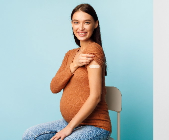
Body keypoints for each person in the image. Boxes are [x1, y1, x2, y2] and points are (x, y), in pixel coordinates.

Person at [22, 3, 112, 140]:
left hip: (95, 125)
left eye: (86, 22)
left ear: (95, 24)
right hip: (69, 122)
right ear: (72, 24)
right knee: (30, 134)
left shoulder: (94, 51)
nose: (80, 28)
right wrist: (74, 65)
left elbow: (96, 96)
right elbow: (54, 87)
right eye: (76, 22)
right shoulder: (70, 55)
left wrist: (68, 129)